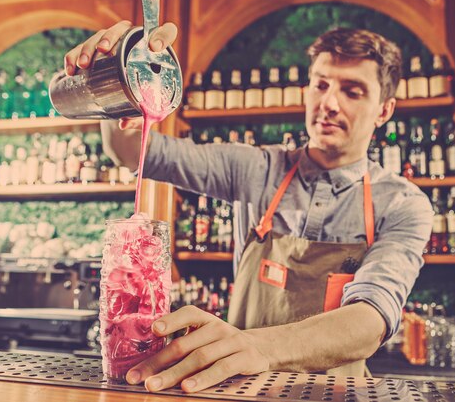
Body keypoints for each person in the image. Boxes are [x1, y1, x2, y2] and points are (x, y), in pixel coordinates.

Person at [65, 20, 432, 392]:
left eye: (353, 91)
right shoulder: (256, 168)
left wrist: (257, 345)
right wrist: (113, 78)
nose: (330, 103)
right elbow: (132, 151)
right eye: (321, 84)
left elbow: (371, 320)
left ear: (384, 110)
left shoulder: (402, 204)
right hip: (245, 392)